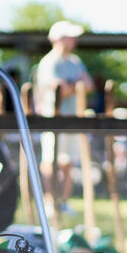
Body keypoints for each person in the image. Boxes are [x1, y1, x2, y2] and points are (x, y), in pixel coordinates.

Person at [34, 20, 94, 209]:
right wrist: (76, 85)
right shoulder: (49, 62)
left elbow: (89, 85)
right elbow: (61, 90)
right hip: (53, 117)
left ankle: (64, 201)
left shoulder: (75, 61)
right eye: (70, 37)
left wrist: (73, 85)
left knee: (68, 162)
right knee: (51, 160)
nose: (74, 40)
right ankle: (49, 200)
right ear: (59, 39)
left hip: (72, 117)